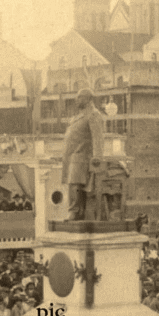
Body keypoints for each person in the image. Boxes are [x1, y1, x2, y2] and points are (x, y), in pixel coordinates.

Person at [60, 88, 104, 221]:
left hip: (82, 156)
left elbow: (97, 137)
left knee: (75, 183)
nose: (76, 100)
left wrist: (97, 156)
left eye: (79, 97)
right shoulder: (78, 116)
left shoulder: (93, 114)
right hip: (73, 156)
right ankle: (79, 212)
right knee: (73, 184)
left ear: (88, 99)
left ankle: (74, 211)